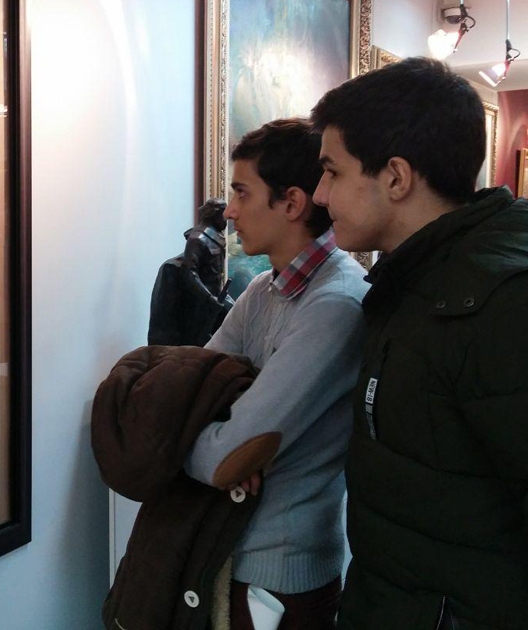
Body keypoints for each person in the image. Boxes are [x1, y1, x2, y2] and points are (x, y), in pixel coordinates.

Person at [310, 56, 528, 629]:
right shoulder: (416, 281)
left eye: (333, 173)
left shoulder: (512, 304)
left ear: (396, 178)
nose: (320, 194)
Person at [185, 118, 369, 630]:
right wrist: (218, 440)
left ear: (291, 203)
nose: (230, 211)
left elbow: (221, 456)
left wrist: (197, 445)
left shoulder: (335, 305)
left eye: (241, 193)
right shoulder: (264, 288)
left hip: (283, 579)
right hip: (235, 552)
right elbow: (190, 390)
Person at [148, 197, 233, 347]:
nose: (226, 219)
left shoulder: (215, 236)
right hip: (201, 302)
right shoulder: (198, 239)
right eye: (224, 214)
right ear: (215, 215)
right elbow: (190, 273)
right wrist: (208, 298)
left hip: (214, 297)